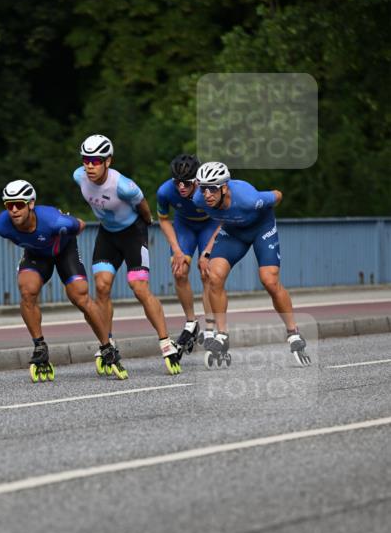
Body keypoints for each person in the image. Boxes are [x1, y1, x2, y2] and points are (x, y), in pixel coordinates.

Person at [73, 134, 181, 377]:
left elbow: (143, 206)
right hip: (108, 235)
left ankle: (166, 341)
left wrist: (147, 224)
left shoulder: (123, 185)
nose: (89, 165)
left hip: (132, 233)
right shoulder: (79, 176)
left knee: (139, 287)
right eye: (85, 159)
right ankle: (107, 344)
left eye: (96, 160)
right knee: (101, 287)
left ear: (108, 161)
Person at [0, 179, 115, 381]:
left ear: (31, 204)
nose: (14, 210)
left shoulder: (54, 221)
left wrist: (66, 225)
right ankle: (40, 346)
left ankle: (107, 347)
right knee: (27, 292)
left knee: (80, 295)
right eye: (9, 205)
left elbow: (81, 225)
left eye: (19, 204)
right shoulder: (1, 225)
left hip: (63, 250)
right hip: (37, 255)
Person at [193, 162, 311, 367]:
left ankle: (293, 332)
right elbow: (223, 218)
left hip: (261, 228)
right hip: (233, 232)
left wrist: (271, 200)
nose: (207, 194)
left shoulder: (249, 198)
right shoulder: (199, 200)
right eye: (203, 188)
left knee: (269, 280)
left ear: (225, 187)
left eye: (212, 188)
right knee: (214, 275)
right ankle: (222, 335)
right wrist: (207, 251)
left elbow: (278, 194)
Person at [156, 153, 222, 357]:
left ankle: (210, 328)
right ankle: (192, 322)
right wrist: (176, 249)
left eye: (186, 182)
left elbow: (223, 220)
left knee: (207, 273)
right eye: (177, 182)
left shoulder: (208, 189)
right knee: (179, 271)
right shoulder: (165, 191)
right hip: (184, 226)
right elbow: (164, 219)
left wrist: (207, 252)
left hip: (210, 224)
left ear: (197, 180)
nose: (181, 187)